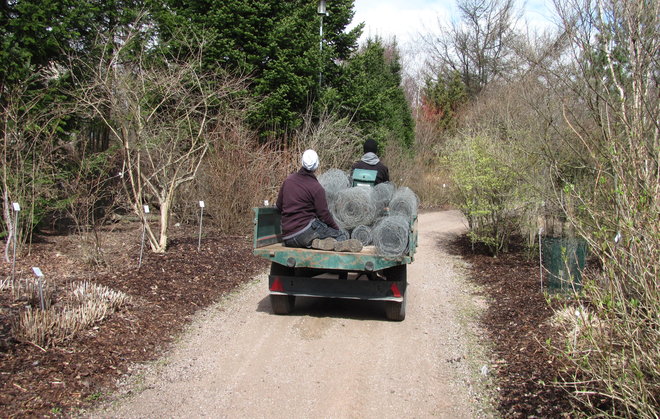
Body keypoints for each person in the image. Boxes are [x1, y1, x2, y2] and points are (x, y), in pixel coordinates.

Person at [276, 149, 362, 252]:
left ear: (302, 162)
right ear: (316, 165)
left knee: (320, 231)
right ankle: (315, 242)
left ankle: (315, 243)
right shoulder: (316, 188)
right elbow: (324, 215)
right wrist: (336, 229)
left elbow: (278, 206)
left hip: (288, 237)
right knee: (341, 235)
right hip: (305, 233)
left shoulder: (288, 181)